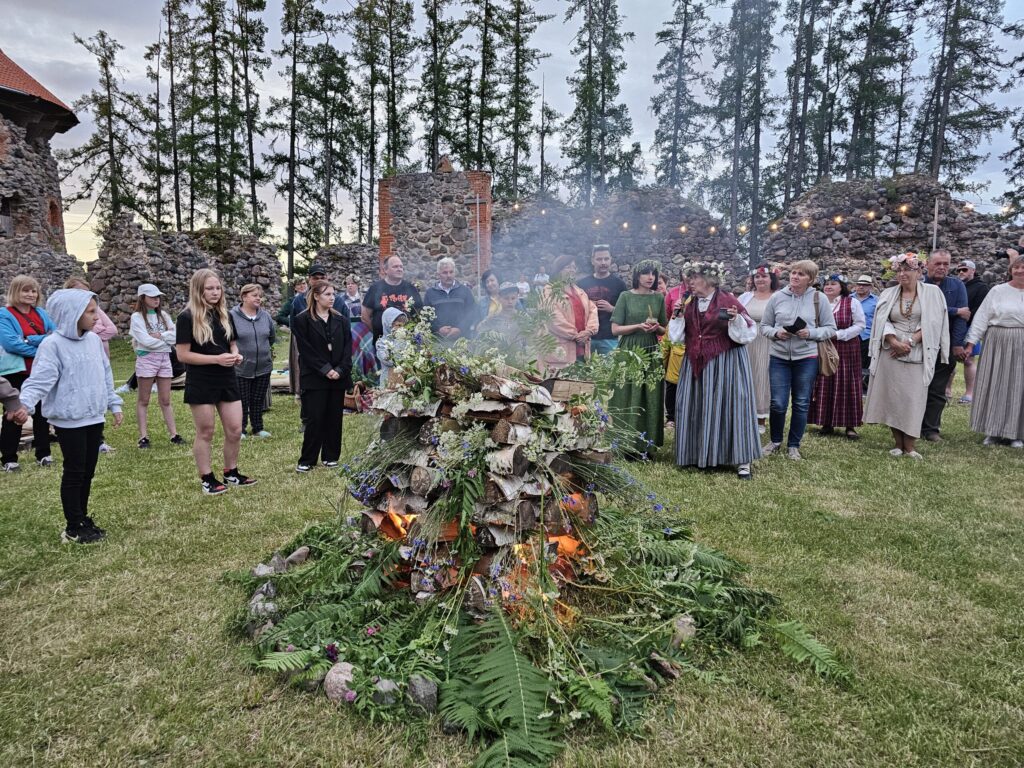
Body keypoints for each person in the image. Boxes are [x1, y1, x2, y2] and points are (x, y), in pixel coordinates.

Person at [17, 289, 123, 544]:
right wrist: (24, 404)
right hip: (69, 419)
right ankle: (73, 527)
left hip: (94, 416)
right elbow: (40, 380)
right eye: (91, 312)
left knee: (88, 471)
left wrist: (113, 403)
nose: (96, 317)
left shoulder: (93, 341)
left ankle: (82, 517)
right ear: (72, 314)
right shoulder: (52, 345)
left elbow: (105, 373)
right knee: (75, 471)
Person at [670, 263, 760, 479]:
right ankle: (699, 454)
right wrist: (678, 316)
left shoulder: (728, 300)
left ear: (710, 280)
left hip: (726, 362)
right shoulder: (688, 304)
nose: (690, 282)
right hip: (695, 362)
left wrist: (735, 319)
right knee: (696, 406)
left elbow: (748, 332)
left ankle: (742, 460)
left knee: (732, 406)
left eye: (695, 277)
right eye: (689, 277)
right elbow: (676, 337)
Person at [176, 268, 257, 495]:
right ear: (198, 290)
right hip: (201, 380)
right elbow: (182, 355)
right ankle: (207, 478)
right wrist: (216, 359)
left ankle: (231, 471)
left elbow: (232, 344)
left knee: (235, 429)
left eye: (218, 288)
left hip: (227, 377)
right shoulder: (186, 317)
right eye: (209, 289)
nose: (215, 292)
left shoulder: (225, 315)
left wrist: (235, 355)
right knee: (206, 431)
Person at [864, 254, 949, 459]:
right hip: (890, 350)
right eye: (899, 270)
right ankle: (898, 443)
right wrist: (893, 341)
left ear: (919, 271)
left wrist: (910, 342)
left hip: (918, 349)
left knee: (913, 399)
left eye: (908, 269)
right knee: (893, 397)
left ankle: (910, 446)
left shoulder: (932, 293)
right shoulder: (888, 293)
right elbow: (881, 320)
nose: (903, 274)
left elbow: (934, 321)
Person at [759, 260, 837, 460]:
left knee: (801, 402)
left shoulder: (819, 298)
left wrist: (811, 333)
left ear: (810, 279)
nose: (795, 276)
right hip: (779, 357)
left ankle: (794, 445)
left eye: (801, 274)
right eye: (793, 272)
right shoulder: (777, 297)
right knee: (778, 403)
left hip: (807, 357)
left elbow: (830, 328)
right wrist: (776, 333)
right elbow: (764, 326)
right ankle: (775, 441)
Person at [963, 256, 1024, 448]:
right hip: (997, 341)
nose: (1020, 270)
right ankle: (993, 431)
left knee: (1018, 386)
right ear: (1011, 270)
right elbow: (982, 317)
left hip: (1022, 342)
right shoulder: (998, 291)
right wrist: (970, 343)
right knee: (994, 383)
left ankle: (1016, 433)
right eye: (1016, 267)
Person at [292, 282, 352, 472]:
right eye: (327, 294)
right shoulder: (302, 320)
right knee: (315, 418)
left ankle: (331, 456)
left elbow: (347, 348)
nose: (332, 297)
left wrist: (340, 369)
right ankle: (307, 459)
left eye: (333, 294)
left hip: (338, 376)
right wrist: (325, 369)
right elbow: (306, 350)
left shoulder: (341, 320)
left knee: (334, 417)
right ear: (316, 296)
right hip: (315, 376)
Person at [610, 260, 667, 458]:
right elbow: (615, 329)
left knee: (650, 394)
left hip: (651, 349)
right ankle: (626, 443)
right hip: (629, 350)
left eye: (653, 273)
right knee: (627, 393)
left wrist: (656, 328)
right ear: (637, 276)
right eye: (645, 273)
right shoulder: (625, 296)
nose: (650, 277)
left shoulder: (658, 297)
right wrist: (637, 326)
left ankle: (647, 444)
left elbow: (663, 328)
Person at [0, 274, 56, 471]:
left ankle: (44, 454)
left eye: (34, 291)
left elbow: (55, 336)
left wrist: (29, 339)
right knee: (14, 411)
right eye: (26, 290)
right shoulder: (4, 314)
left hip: (40, 369)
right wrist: (42, 345)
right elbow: (11, 344)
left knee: (42, 412)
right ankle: (9, 458)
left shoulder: (41, 313)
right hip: (16, 370)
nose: (31, 294)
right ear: (15, 291)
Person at [65, 276, 118, 453]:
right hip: (79, 365)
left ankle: (98, 440)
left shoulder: (95, 311)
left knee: (97, 395)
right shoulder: (66, 316)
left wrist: (94, 331)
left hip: (99, 359)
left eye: (86, 291)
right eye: (79, 291)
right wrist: (96, 330)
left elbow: (112, 330)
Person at [809, 274, 866, 439]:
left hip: (846, 348)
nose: (828, 286)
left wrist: (839, 334)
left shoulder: (852, 302)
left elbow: (860, 325)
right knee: (825, 382)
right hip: (823, 347)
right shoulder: (818, 303)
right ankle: (826, 422)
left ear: (842, 287)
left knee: (847, 384)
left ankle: (850, 425)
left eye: (833, 283)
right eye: (826, 283)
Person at [921, 249, 968, 442]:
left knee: (938, 388)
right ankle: (911, 425)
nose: (942, 267)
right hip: (920, 341)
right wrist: (955, 310)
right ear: (927, 264)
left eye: (946, 264)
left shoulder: (957, 285)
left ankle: (931, 429)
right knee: (916, 386)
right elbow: (923, 310)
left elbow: (963, 318)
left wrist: (957, 344)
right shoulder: (918, 283)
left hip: (945, 344)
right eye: (938, 263)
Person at [129, 283, 184, 448]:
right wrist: (166, 340)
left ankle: (174, 434)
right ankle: (143, 436)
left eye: (157, 297)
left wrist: (160, 335)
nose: (156, 300)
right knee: (144, 399)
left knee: (166, 400)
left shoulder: (164, 315)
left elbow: (176, 336)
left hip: (164, 358)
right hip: (147, 359)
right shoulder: (137, 317)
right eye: (152, 297)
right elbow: (145, 341)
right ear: (143, 298)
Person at [230, 284, 277, 439]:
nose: (259, 298)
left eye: (259, 296)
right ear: (244, 297)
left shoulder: (266, 316)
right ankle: (240, 429)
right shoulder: (232, 316)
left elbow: (271, 337)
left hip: (263, 366)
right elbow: (227, 340)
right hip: (241, 367)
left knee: (258, 399)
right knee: (241, 401)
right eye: (254, 295)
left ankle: (258, 428)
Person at [738, 263, 778, 434]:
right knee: (746, 377)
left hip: (767, 342)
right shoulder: (745, 297)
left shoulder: (777, 297)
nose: (760, 279)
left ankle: (760, 419)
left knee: (762, 378)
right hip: (747, 342)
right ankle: (743, 416)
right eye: (757, 277)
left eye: (764, 276)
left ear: (771, 279)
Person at [541, 255, 598, 372]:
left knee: (581, 380)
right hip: (559, 351)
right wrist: (576, 335)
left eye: (573, 267)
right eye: (568, 267)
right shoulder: (548, 291)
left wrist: (589, 331)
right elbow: (553, 318)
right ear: (558, 270)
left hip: (581, 348)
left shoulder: (580, 292)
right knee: (560, 381)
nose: (572, 270)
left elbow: (592, 310)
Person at [947, 260, 989, 404]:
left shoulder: (982, 287)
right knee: (947, 359)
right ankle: (947, 390)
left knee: (969, 360)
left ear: (973, 270)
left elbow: (980, 310)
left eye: (964, 270)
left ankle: (969, 393)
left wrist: (966, 320)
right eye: (959, 270)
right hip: (953, 326)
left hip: (970, 327)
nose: (961, 272)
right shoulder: (955, 286)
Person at [577, 244, 628, 356]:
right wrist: (589, 305)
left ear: (611, 260)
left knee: (611, 367)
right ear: (592, 261)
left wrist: (612, 309)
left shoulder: (619, 284)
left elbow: (628, 312)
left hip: (609, 337)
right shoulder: (581, 284)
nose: (603, 262)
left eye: (606, 259)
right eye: (599, 259)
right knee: (582, 367)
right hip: (586, 337)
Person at [362, 255, 422, 345]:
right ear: (385, 270)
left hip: (407, 344)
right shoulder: (375, 288)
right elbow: (365, 316)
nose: (399, 269)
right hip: (382, 344)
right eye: (395, 266)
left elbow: (419, 315)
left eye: (401, 266)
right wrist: (378, 333)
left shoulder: (411, 289)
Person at [423, 257, 476, 342]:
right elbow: (426, 317)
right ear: (438, 274)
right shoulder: (430, 293)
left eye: (451, 272)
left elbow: (472, 313)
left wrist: (460, 329)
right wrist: (438, 329)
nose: (449, 275)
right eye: (445, 272)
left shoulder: (465, 291)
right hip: (438, 342)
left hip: (462, 341)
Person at [343, 274, 376, 378]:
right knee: (352, 351)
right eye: (348, 284)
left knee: (366, 350)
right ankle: (355, 376)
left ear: (357, 285)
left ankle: (369, 376)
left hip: (364, 329)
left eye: (352, 283)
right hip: (349, 329)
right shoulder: (340, 299)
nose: (350, 285)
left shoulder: (364, 298)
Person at [476, 282, 526, 351]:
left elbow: (533, 338)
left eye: (513, 298)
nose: (510, 301)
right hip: (500, 355)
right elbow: (479, 329)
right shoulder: (493, 318)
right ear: (499, 299)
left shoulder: (523, 317)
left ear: (517, 298)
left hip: (520, 355)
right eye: (506, 298)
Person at [852, 275, 878, 394]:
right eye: (859, 284)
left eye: (865, 285)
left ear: (870, 287)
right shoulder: (848, 299)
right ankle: (851, 386)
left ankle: (864, 388)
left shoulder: (876, 301)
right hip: (850, 335)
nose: (861, 287)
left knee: (866, 364)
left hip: (868, 336)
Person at [375, 307, 409, 389]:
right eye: (398, 325)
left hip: (405, 382)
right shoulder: (381, 343)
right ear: (388, 325)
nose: (401, 328)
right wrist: (399, 340)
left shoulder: (406, 340)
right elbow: (391, 361)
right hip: (388, 383)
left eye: (403, 325)